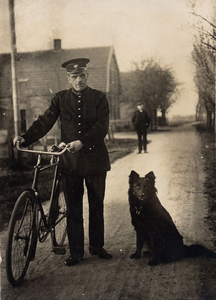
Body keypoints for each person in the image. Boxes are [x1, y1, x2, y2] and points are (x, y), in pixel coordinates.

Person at [13, 58, 112, 266]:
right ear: (69, 78)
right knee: (73, 208)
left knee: (96, 205)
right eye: (74, 77)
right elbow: (44, 122)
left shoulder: (100, 98)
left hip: (95, 161)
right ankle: (76, 252)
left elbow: (102, 127)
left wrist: (82, 142)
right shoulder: (60, 99)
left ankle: (97, 246)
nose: (79, 80)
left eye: (82, 76)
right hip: (70, 162)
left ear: (87, 76)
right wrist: (25, 137)